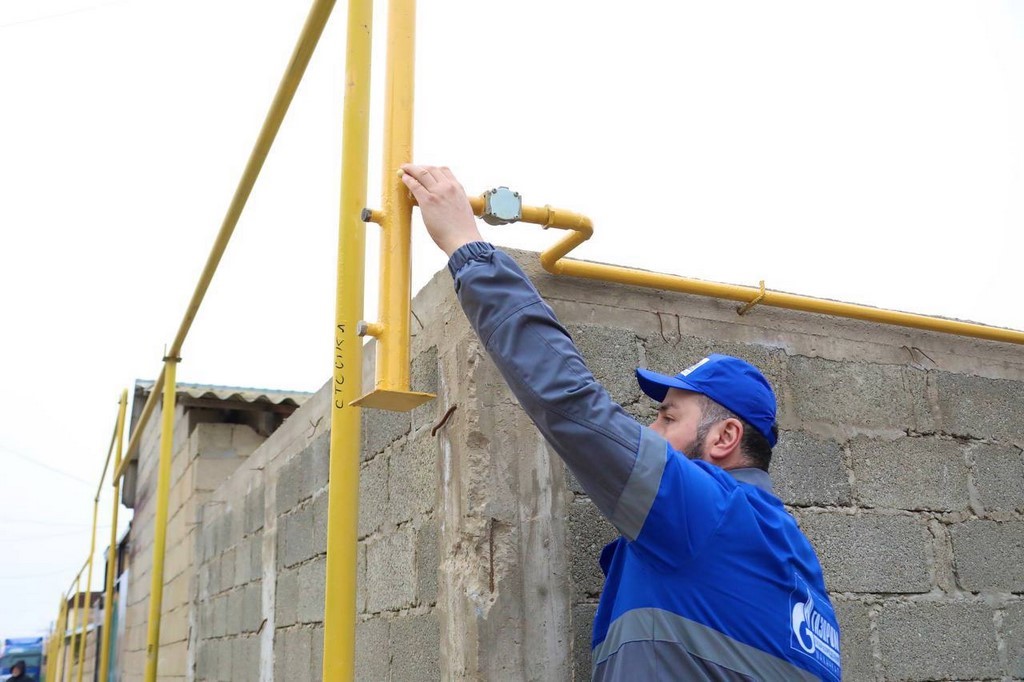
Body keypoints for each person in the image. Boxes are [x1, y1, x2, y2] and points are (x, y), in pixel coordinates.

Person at [401, 164, 841, 681]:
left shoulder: (715, 513)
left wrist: (466, 246)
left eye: (667, 417)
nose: (650, 431)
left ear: (725, 437)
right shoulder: (795, 568)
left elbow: (575, 405)